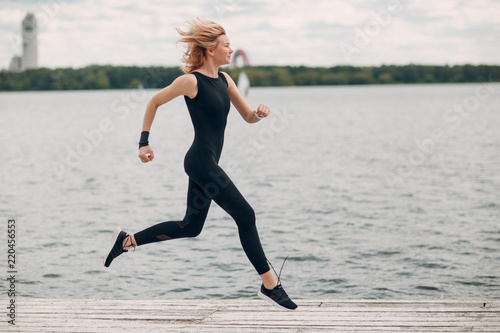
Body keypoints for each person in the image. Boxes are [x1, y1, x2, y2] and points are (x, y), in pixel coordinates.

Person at [103, 17, 297, 310]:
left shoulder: (225, 80)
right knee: (245, 215)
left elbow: (247, 116)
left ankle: (126, 241)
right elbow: (154, 102)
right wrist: (143, 142)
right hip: (200, 163)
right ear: (209, 49)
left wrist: (259, 113)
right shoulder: (190, 81)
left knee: (190, 226)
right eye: (227, 45)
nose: (231, 50)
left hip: (205, 162)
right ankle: (270, 284)